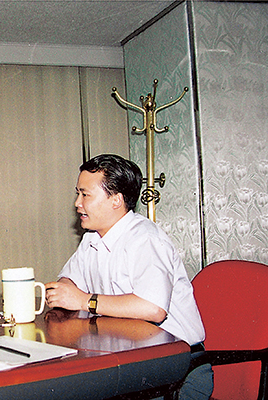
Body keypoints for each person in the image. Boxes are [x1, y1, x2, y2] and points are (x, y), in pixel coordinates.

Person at [45, 154, 212, 399]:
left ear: (116, 200)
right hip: (132, 364)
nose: (77, 203)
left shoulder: (146, 239)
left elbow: (153, 308)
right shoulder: (92, 238)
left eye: (85, 195)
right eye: (77, 194)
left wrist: (82, 300)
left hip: (177, 371)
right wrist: (65, 291)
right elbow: (69, 280)